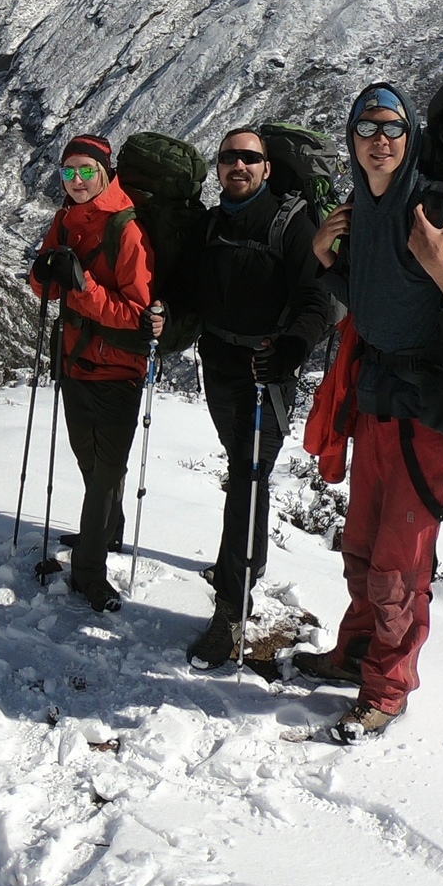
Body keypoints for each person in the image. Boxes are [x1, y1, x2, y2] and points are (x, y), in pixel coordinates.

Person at [301, 82, 443, 742]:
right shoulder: (361, 212)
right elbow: (371, 305)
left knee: (400, 561)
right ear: (351, 140)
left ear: (410, 135)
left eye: (392, 128)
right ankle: (357, 655)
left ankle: (388, 689)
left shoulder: (441, 210)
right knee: (363, 547)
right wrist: (323, 262)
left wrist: (439, 266)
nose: (380, 140)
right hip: (377, 403)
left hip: (428, 412)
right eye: (367, 129)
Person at [180, 126, 332, 666]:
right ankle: (247, 563)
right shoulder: (214, 224)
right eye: (228, 158)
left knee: (247, 478)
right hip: (219, 369)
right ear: (217, 168)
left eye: (249, 158)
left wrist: (292, 346)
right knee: (243, 470)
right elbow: (190, 290)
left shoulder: (292, 224)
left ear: (267, 168)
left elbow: (318, 298)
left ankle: (231, 607)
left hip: (268, 375)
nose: (237, 166)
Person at [26, 135, 156, 612]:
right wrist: (47, 272)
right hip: (75, 361)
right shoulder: (64, 220)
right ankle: (108, 529)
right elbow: (44, 286)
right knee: (91, 464)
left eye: (86, 171)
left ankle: (88, 570)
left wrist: (80, 286)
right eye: (68, 173)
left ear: (105, 172)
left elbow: (136, 312)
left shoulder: (128, 230)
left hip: (118, 368)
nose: (77, 181)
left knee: (103, 475)